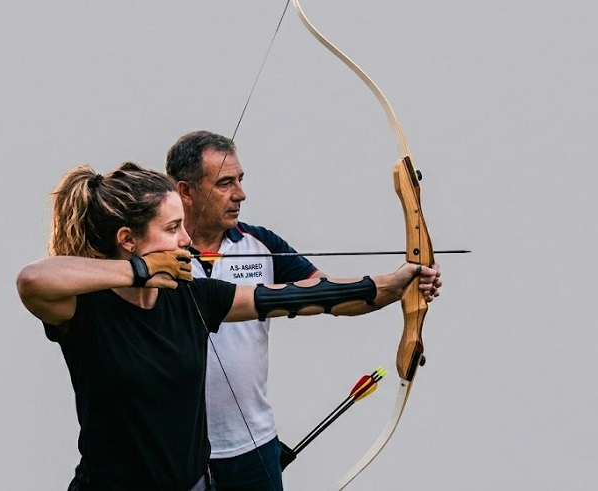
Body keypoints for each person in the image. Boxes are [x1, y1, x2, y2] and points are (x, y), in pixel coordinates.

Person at [16, 162, 439, 491]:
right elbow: (32, 279)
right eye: (172, 228)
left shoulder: (193, 297)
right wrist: (138, 271)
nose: (185, 240)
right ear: (128, 240)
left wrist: (392, 284)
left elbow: (304, 297)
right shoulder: (85, 310)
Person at [166, 131, 442, 491]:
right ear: (186, 191)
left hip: (252, 447)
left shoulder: (261, 245)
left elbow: (329, 295)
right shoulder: (152, 256)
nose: (240, 194)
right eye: (224, 183)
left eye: (240, 180)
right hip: (174, 450)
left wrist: (400, 286)